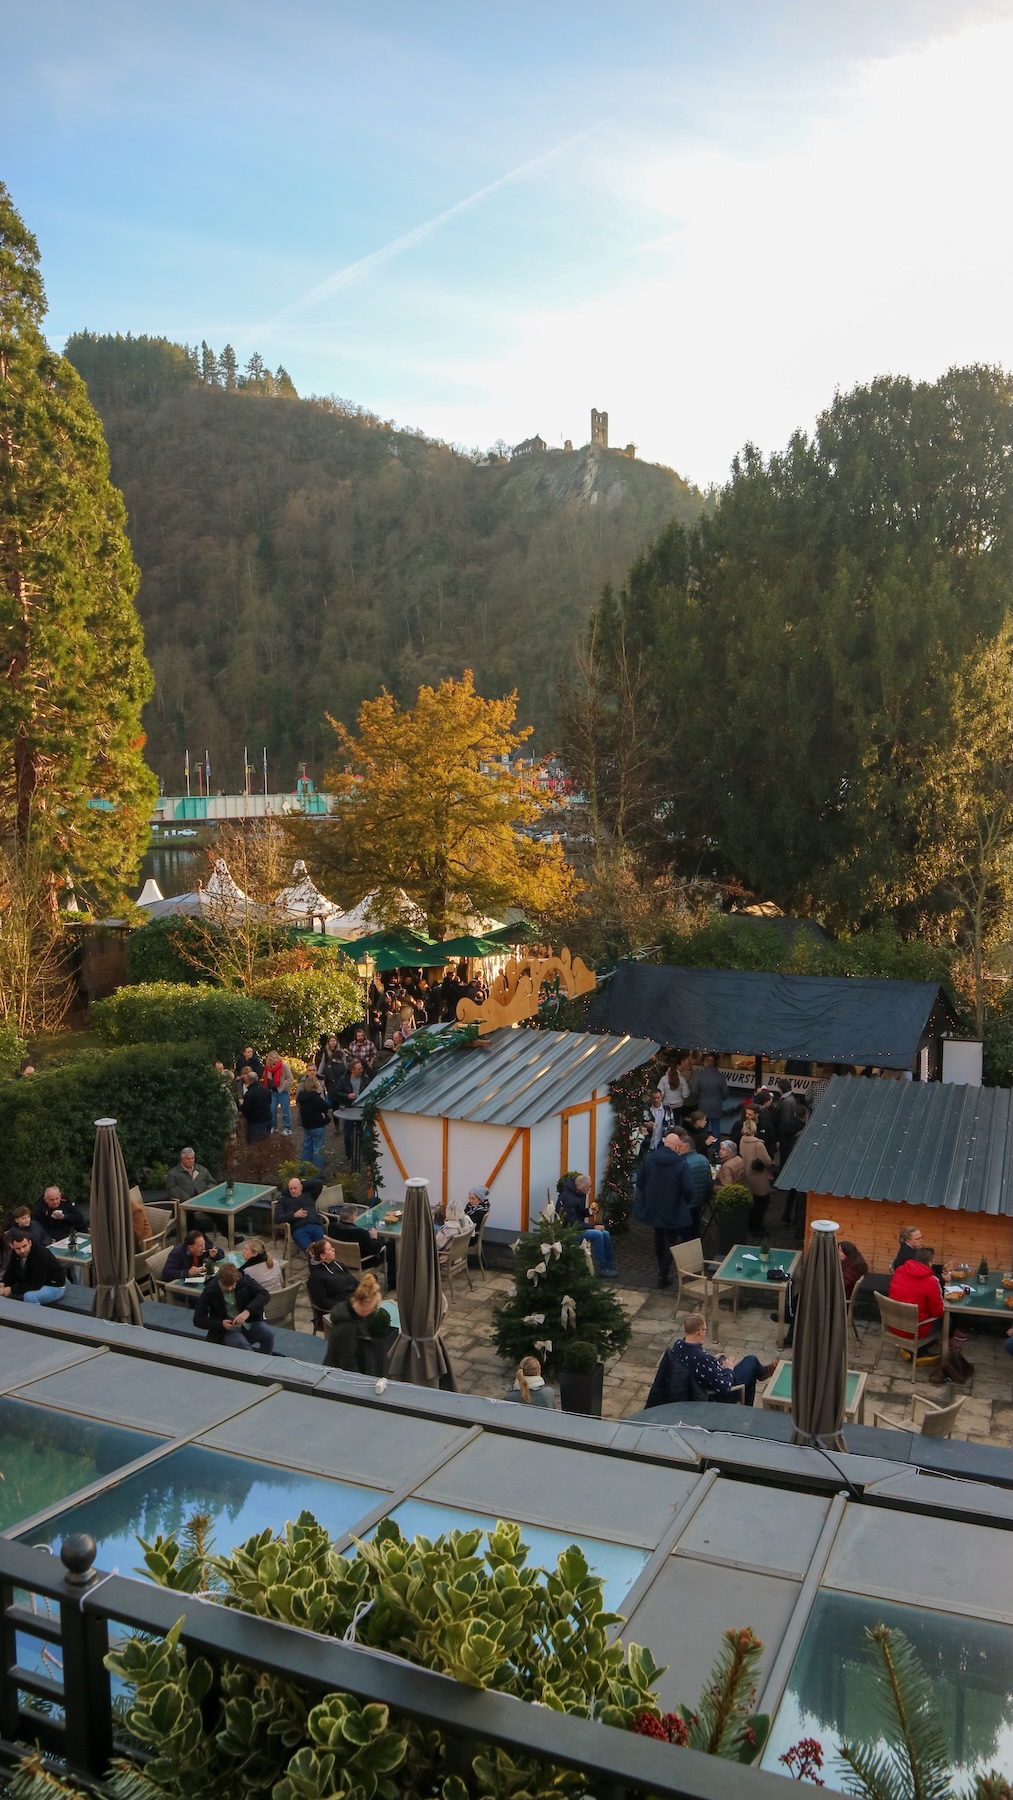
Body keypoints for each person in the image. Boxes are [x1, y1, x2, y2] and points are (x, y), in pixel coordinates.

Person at [667, 1311, 775, 1407]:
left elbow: (696, 1364)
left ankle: (760, 1374)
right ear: (699, 1332)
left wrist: (713, 1360)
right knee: (752, 1361)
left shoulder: (678, 1345)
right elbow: (723, 1388)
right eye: (705, 1330)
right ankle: (762, 1374)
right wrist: (729, 1369)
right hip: (718, 1395)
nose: (705, 1333)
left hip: (704, 1380)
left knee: (723, 1358)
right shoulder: (702, 1358)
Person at [634, 1133, 693, 1287]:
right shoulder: (681, 1163)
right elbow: (688, 1188)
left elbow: (640, 1181)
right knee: (672, 1240)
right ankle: (663, 1273)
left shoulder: (649, 1158)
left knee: (659, 1236)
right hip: (673, 1206)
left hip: (654, 1205)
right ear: (676, 1146)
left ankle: (662, 1268)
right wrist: (684, 1202)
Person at [194, 1260, 273, 1353]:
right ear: (220, 1280)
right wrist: (220, 1323)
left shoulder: (243, 1280)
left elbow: (264, 1294)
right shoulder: (210, 1290)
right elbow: (198, 1319)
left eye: (233, 1285)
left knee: (268, 1334)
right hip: (228, 1330)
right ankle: (251, 1365)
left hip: (249, 1322)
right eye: (226, 1286)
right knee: (242, 1346)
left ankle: (266, 1358)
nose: (230, 1288)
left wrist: (247, 1311)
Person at [556, 1173, 619, 1276]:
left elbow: (578, 1213)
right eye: (589, 1186)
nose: (590, 1188)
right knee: (598, 1234)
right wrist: (593, 1226)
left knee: (605, 1233)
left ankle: (609, 1265)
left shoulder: (577, 1194)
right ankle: (601, 1268)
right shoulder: (569, 1200)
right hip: (568, 1232)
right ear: (583, 1188)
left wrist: (589, 1211)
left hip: (575, 1227)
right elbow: (573, 1224)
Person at [324, 1271, 385, 1370]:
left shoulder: (357, 1316)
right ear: (366, 1302)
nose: (374, 1310)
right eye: (375, 1306)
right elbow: (348, 1363)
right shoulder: (347, 1327)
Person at [888, 1246, 945, 1343]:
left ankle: (909, 1349)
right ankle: (922, 1350)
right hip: (915, 1331)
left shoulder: (899, 1270)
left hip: (894, 1325)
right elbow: (937, 1312)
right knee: (946, 1321)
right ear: (930, 1263)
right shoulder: (931, 1281)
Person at [1, 1232, 66, 1305]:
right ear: (13, 1247)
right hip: (34, 1282)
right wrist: (3, 1283)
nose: (22, 1250)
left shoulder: (40, 1253)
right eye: (18, 1248)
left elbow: (36, 1284)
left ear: (30, 1243)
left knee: (29, 1297)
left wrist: (11, 1290)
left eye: (24, 1246)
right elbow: (11, 1272)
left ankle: (36, 1315)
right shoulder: (15, 1254)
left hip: (53, 1285)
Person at [331, 1059, 372, 1162]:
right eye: (359, 1069)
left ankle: (364, 1155)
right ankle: (348, 1155)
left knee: (362, 1133)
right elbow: (336, 1092)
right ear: (352, 1070)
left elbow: (370, 1092)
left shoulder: (365, 1078)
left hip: (360, 1109)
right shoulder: (344, 1079)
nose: (361, 1070)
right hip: (348, 1109)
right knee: (348, 1134)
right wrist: (347, 1096)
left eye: (361, 1068)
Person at [738, 1116, 774, 1232]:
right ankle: (757, 1228)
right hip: (759, 1177)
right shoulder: (758, 1144)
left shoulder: (742, 1140)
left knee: (752, 1203)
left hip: (747, 1175)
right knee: (762, 1203)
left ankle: (750, 1225)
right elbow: (767, 1161)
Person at [307, 1238, 358, 1317]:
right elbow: (323, 1302)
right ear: (323, 1256)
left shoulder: (337, 1264)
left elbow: (354, 1281)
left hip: (355, 1300)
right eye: (330, 1249)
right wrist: (347, 1305)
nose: (334, 1249)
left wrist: (364, 1290)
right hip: (341, 1311)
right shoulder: (316, 1277)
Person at [672, 1130, 713, 1228]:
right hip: (700, 1201)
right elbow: (709, 1182)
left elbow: (681, 1186)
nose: (677, 1149)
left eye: (679, 1147)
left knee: (685, 1230)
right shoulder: (704, 1159)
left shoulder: (683, 1163)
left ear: (686, 1147)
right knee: (695, 1226)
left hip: (686, 1203)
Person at [276, 1175, 326, 1251]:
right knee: (309, 1251)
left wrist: (302, 1183)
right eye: (290, 1189)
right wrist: (294, 1215)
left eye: (295, 1188)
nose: (293, 1191)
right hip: (299, 1229)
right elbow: (277, 1218)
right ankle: (314, 1261)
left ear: (301, 1187)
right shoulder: (283, 1200)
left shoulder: (309, 1194)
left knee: (323, 1248)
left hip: (315, 1225)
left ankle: (322, 1261)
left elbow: (319, 1183)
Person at [691, 1055, 729, 1153]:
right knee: (716, 1129)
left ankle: (703, 1148)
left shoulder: (699, 1076)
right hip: (716, 1105)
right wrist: (720, 1099)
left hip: (703, 1105)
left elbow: (694, 1091)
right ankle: (716, 1150)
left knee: (703, 1129)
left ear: (705, 1063)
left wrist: (699, 1098)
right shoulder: (720, 1076)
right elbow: (725, 1093)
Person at [296, 1073, 331, 1173]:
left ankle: (303, 1169)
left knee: (307, 1147)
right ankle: (317, 1173)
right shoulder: (316, 1098)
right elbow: (325, 1107)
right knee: (318, 1149)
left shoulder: (302, 1097)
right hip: (317, 1126)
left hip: (307, 1125)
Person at [263, 1050, 294, 1135]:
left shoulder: (283, 1066)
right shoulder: (268, 1068)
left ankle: (287, 1128)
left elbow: (290, 1078)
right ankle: (274, 1126)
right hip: (273, 1092)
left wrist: (284, 1087)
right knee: (272, 1110)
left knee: (285, 1111)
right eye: (272, 1058)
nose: (275, 1059)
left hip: (282, 1091)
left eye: (276, 1057)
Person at [240, 1069, 273, 1142]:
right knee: (267, 1143)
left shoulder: (249, 1094)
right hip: (268, 1118)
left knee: (256, 1145)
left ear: (248, 1080)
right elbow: (270, 1102)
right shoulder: (266, 1089)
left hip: (257, 1122)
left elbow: (246, 1109)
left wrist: (240, 1107)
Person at [658, 1055, 692, 1121]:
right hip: (678, 1105)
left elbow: (660, 1093)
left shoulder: (663, 1079)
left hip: (666, 1105)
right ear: (678, 1066)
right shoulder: (682, 1079)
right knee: (677, 1126)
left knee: (666, 1125)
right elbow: (686, 1094)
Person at [644, 1088, 674, 1152]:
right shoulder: (646, 1108)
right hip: (649, 1141)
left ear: (661, 1097)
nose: (656, 1100)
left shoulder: (667, 1109)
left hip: (662, 1142)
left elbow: (671, 1125)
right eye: (654, 1098)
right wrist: (646, 1125)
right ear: (650, 1098)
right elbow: (641, 1123)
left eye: (658, 1097)